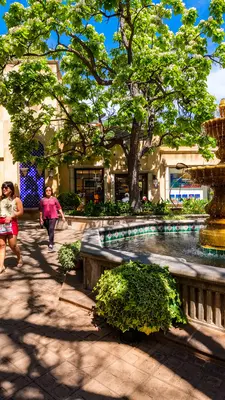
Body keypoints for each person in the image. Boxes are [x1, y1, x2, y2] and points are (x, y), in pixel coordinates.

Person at [0, 181, 24, 273]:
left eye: (6, 187)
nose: (4, 189)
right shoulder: (0, 199)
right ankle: (1, 266)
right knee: (1, 245)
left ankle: (19, 258)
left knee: (12, 245)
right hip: (1, 223)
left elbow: (21, 212)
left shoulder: (16, 199)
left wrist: (12, 216)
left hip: (11, 223)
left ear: (11, 189)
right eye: (3, 187)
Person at [39, 186, 65, 252]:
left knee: (51, 229)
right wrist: (41, 219)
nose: (48, 191)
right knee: (49, 229)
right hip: (45, 217)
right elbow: (40, 210)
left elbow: (59, 208)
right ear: (45, 192)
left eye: (49, 190)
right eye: (47, 190)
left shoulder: (54, 199)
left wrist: (62, 216)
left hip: (53, 216)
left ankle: (50, 243)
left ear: (51, 191)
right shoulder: (42, 200)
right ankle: (51, 237)